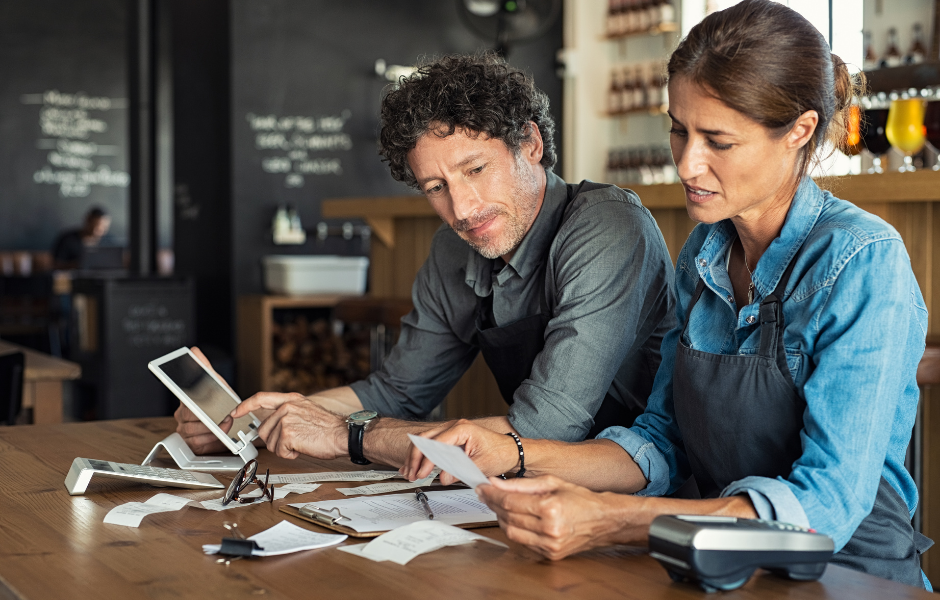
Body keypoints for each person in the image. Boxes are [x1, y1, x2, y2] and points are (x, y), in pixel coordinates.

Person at [403, 1, 932, 589]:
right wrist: (509, 451)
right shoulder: (705, 254)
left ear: (800, 131)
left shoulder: (862, 260)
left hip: (848, 578)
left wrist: (616, 521)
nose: (686, 162)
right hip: (717, 566)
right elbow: (661, 442)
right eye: (679, 129)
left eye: (718, 141)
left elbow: (826, 505)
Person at [176, 53, 676, 468]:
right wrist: (259, 417)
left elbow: (544, 429)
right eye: (436, 188)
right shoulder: (453, 249)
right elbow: (397, 391)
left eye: (475, 169)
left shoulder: (607, 227)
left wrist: (347, 436)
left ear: (530, 143)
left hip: (646, 489)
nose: (462, 209)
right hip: (538, 492)